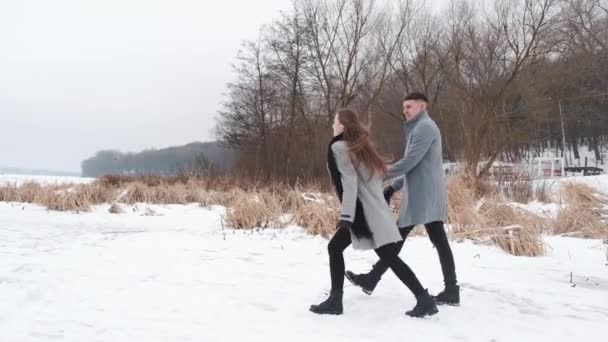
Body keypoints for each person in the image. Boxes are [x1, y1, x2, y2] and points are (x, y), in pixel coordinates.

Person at [309, 108, 438, 318]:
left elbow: (349, 184)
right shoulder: (359, 147)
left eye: (334, 121)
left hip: (362, 216)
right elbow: (377, 175)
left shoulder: (339, 147)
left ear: (342, 124)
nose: (332, 125)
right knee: (388, 256)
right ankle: (424, 299)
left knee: (336, 248)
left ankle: (335, 301)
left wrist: (346, 217)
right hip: (372, 213)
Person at [345, 92, 459, 306]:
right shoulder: (418, 128)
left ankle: (372, 279)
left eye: (409, 106)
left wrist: (377, 173)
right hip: (422, 192)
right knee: (435, 240)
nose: (404, 110)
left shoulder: (425, 128)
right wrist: (393, 187)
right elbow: (415, 167)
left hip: (423, 195)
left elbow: (409, 162)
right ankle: (451, 289)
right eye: (404, 107)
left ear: (422, 107)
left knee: (398, 238)